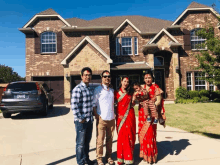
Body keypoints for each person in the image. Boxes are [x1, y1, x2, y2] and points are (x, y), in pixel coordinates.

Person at [138, 70, 166, 164]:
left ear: (152, 78)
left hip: (152, 113)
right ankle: (144, 154)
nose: (147, 79)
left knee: (150, 134)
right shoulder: (141, 87)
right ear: (144, 79)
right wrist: (140, 101)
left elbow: (159, 101)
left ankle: (151, 156)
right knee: (143, 134)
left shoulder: (156, 87)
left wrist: (151, 104)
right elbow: (137, 99)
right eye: (146, 78)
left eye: (149, 77)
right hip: (142, 114)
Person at [71, 67, 94, 165]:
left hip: (89, 120)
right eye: (85, 75)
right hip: (81, 122)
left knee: (87, 142)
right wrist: (81, 119)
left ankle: (86, 159)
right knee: (80, 143)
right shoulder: (78, 89)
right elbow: (74, 106)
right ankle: (80, 162)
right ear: (82, 76)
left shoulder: (89, 88)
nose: (87, 77)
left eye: (89, 75)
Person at [93, 70, 115, 165]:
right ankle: (99, 158)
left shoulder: (112, 90)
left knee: (110, 140)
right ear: (102, 78)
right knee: (100, 140)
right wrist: (97, 116)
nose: (107, 78)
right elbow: (93, 104)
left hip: (111, 119)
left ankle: (109, 157)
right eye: (105, 76)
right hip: (102, 119)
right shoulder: (98, 89)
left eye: (109, 76)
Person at [114, 76, 136, 165]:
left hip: (129, 116)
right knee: (121, 137)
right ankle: (120, 158)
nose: (126, 83)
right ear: (121, 82)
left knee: (129, 136)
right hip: (120, 118)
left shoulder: (131, 93)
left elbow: (133, 104)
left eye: (127, 81)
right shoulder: (116, 93)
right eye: (124, 81)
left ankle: (129, 157)